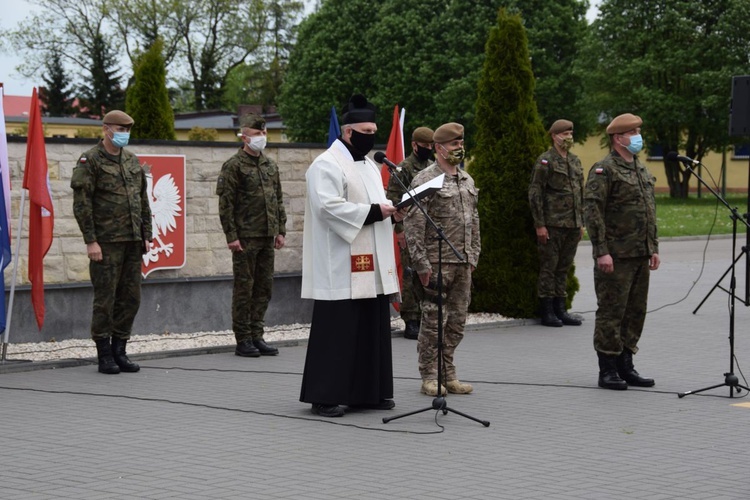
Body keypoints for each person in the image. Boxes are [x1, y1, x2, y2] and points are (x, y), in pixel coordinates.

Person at [299, 94, 405, 418]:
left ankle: (367, 393)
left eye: (375, 129)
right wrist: (375, 211)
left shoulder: (371, 165)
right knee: (338, 331)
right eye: (366, 130)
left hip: (371, 264)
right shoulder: (325, 165)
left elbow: (379, 201)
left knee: (371, 327)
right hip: (340, 264)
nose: (371, 135)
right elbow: (328, 208)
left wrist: (392, 211)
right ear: (348, 132)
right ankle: (325, 394)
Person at [71, 110, 152, 375]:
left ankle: (120, 349)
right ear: (106, 129)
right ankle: (104, 354)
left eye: (127, 130)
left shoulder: (131, 160)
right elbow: (82, 205)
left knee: (131, 298)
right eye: (120, 129)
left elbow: (143, 201)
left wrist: (146, 235)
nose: (124, 134)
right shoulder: (90, 160)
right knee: (105, 299)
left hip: (132, 241)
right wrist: (91, 241)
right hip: (106, 243)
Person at [583, 113, 660, 391]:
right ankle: (608, 369)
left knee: (635, 311)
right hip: (615, 256)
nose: (639, 136)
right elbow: (592, 212)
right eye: (634, 132)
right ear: (619, 138)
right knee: (611, 312)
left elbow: (649, 211)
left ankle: (626, 365)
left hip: (640, 253)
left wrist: (653, 247)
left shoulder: (639, 169)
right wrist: (601, 251)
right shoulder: (605, 169)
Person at [404, 122, 480, 397]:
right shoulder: (425, 180)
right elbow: (413, 225)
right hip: (436, 263)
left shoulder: (467, 180)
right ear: (438, 148)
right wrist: (421, 263)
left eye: (461, 143)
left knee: (456, 322)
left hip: (462, 263)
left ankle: (449, 374)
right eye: (454, 144)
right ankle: (429, 375)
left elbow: (474, 221)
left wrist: (474, 254)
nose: (459, 148)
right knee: (434, 321)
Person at [217, 113, 287, 358]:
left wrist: (281, 230)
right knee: (244, 289)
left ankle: (257, 335)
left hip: (267, 236)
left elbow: (277, 200)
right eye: (257, 134)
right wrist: (231, 236)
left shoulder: (270, 165)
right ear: (244, 137)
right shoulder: (234, 166)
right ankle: (243, 338)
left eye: (264, 133)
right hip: (245, 238)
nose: (262, 138)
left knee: (263, 287)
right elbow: (226, 205)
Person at [528, 119, 584, 327]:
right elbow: (535, 193)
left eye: (571, 133)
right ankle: (547, 311)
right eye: (564, 134)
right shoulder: (546, 161)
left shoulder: (575, 161)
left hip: (572, 224)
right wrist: (539, 224)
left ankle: (562, 309)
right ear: (554, 136)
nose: (568, 137)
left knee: (563, 268)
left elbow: (581, 193)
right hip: (552, 224)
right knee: (549, 268)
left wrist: (581, 222)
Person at [385, 126, 434, 340]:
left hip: (429, 230)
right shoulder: (403, 169)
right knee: (410, 274)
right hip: (410, 228)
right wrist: (399, 230)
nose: (429, 149)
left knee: (427, 272)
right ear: (414, 145)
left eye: (432, 146)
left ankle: (426, 316)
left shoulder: (433, 167)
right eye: (425, 146)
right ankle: (411, 319)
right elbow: (393, 200)